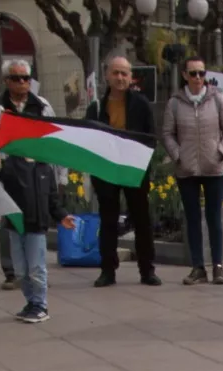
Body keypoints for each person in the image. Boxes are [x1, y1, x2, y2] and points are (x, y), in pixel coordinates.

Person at [0, 61, 54, 290]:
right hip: (6, 169)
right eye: (17, 78)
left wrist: (57, 175)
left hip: (35, 171)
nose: (22, 82)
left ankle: (37, 269)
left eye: (26, 78)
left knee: (37, 220)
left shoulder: (41, 106)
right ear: (6, 81)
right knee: (9, 220)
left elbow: (52, 140)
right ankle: (12, 271)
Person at [86, 56, 160, 287]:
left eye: (124, 73)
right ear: (107, 75)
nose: (120, 78)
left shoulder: (141, 104)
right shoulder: (96, 107)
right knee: (108, 220)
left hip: (133, 169)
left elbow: (151, 138)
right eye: (115, 73)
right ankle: (108, 270)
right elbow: (88, 137)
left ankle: (147, 270)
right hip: (106, 170)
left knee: (141, 220)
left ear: (130, 77)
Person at [163, 55, 223, 285]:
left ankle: (217, 266)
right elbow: (167, 133)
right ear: (184, 75)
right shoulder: (174, 102)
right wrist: (178, 156)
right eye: (193, 73)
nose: (198, 78)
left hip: (214, 168)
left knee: (214, 218)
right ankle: (197, 267)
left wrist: (221, 152)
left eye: (202, 73)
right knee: (192, 218)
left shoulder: (217, 100)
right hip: (187, 171)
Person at [0, 124, 74, 323]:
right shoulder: (12, 165)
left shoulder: (44, 167)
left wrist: (61, 215)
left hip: (37, 226)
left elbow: (52, 198)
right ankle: (31, 302)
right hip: (16, 224)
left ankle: (40, 304)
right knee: (21, 270)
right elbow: (0, 179)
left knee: (36, 268)